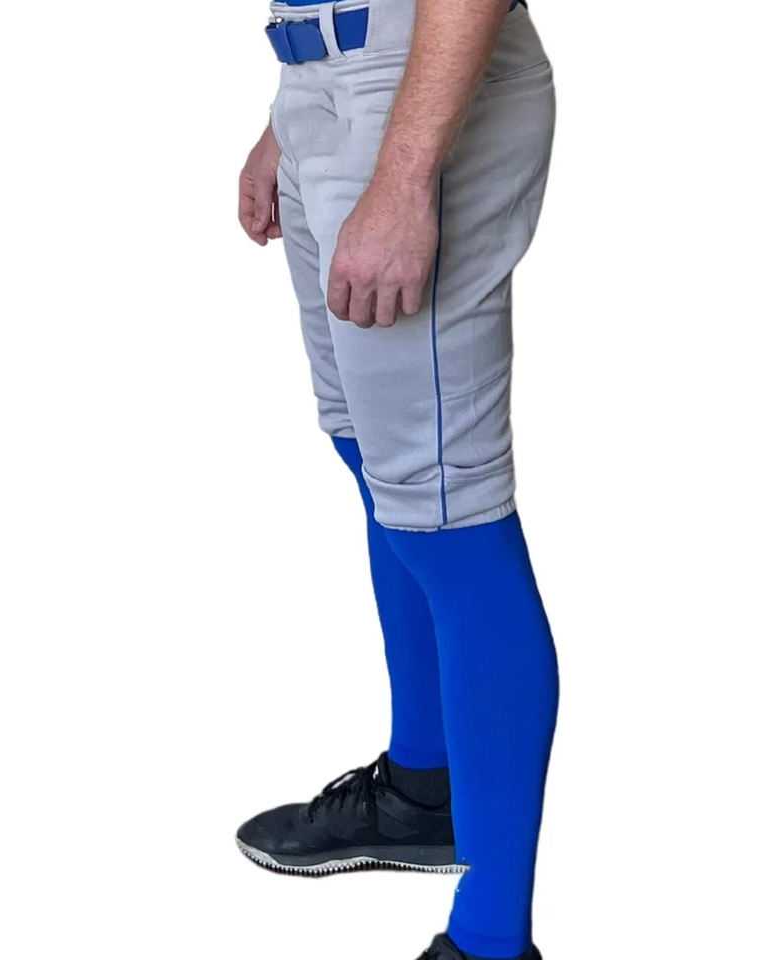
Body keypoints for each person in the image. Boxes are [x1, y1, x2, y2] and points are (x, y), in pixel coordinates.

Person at [235, 0, 559, 957]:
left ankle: (493, 940)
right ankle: (426, 790)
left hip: (415, 90)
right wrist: (292, 111)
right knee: (373, 458)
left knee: (448, 514)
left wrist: (405, 175)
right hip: (330, 81)